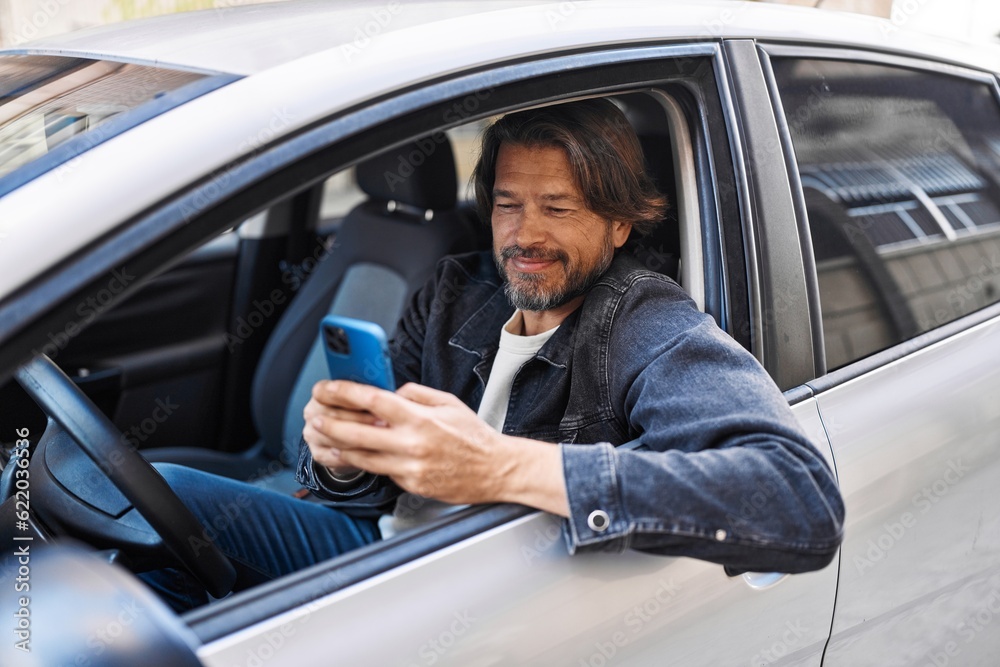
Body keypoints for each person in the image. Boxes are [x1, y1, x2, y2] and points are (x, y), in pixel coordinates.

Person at [147, 98, 844, 610]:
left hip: (474, 599)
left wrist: (496, 465)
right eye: (509, 205)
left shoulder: (645, 321)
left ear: (620, 224)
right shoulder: (453, 292)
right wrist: (338, 457)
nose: (525, 234)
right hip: (383, 548)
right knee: (157, 503)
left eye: (559, 208)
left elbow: (799, 501)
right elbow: (371, 482)